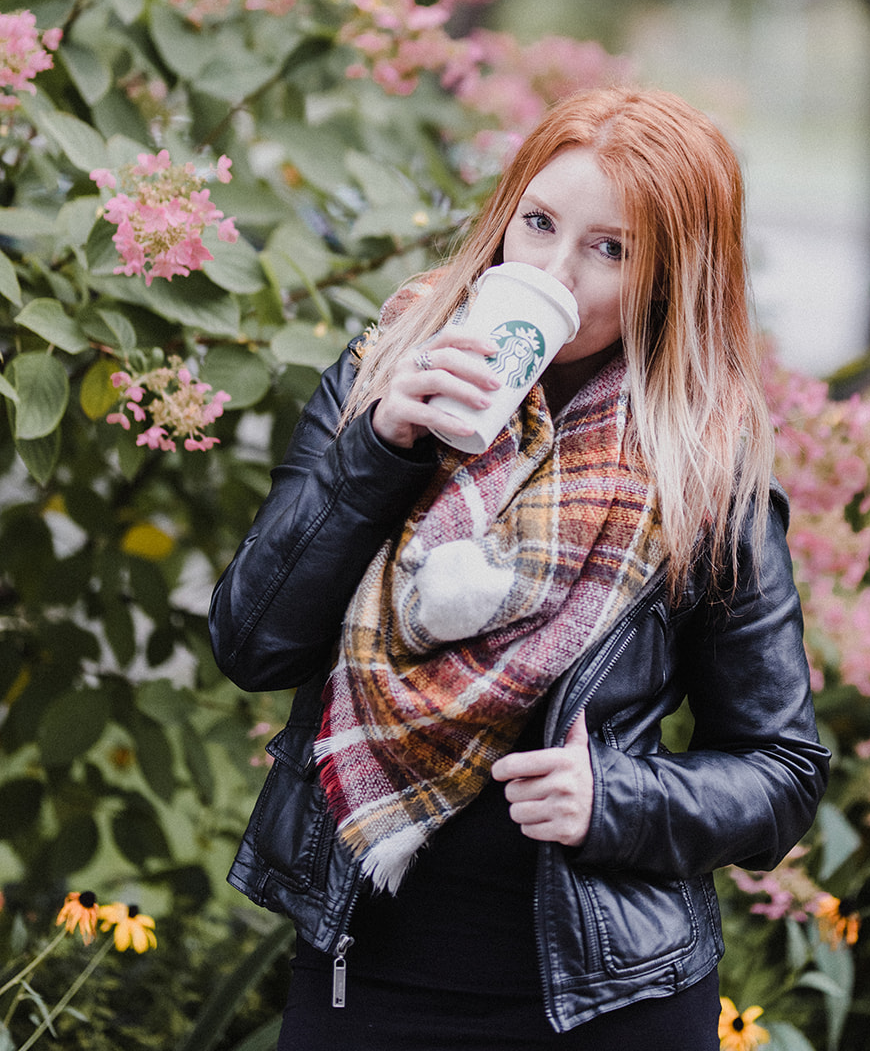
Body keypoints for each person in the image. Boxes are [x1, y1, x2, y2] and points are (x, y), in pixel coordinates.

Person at [209, 87, 830, 1049]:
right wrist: (381, 449)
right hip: (367, 975)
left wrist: (617, 798)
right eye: (537, 224)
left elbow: (781, 773)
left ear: (670, 280)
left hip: (606, 1001)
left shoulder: (706, 473)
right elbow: (254, 643)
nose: (552, 269)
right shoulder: (382, 378)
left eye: (610, 249)